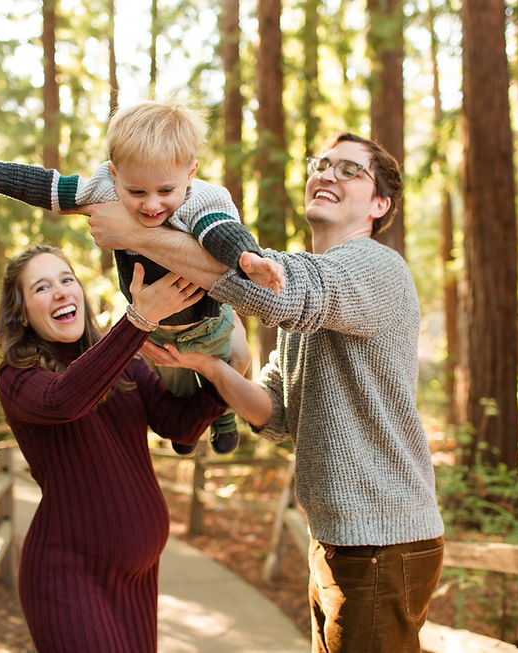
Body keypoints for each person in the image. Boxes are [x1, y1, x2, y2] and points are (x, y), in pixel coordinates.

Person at [82, 132, 446, 653]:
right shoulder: (313, 288)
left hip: (383, 537)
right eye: (321, 164)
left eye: (349, 171)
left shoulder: (374, 267)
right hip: (340, 537)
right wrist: (208, 364)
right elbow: (275, 415)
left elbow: (282, 293)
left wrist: (139, 233)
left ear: (380, 204)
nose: (327, 174)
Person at [0, 100, 283, 457]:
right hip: (157, 328)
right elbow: (49, 188)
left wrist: (248, 259)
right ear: (114, 175)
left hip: (206, 321)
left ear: (190, 173)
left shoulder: (201, 197)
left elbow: (219, 231)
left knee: (231, 362)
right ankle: (196, 426)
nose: (152, 205)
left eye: (165, 192)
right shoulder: (105, 190)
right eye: (136, 192)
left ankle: (224, 421)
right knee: (177, 385)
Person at [0, 244, 230, 652]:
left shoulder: (124, 362)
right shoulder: (17, 378)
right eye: (42, 288)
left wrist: (220, 373)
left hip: (138, 578)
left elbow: (179, 427)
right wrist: (139, 320)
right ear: (21, 314)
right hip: (67, 576)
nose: (62, 292)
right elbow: (66, 399)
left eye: (67, 280)